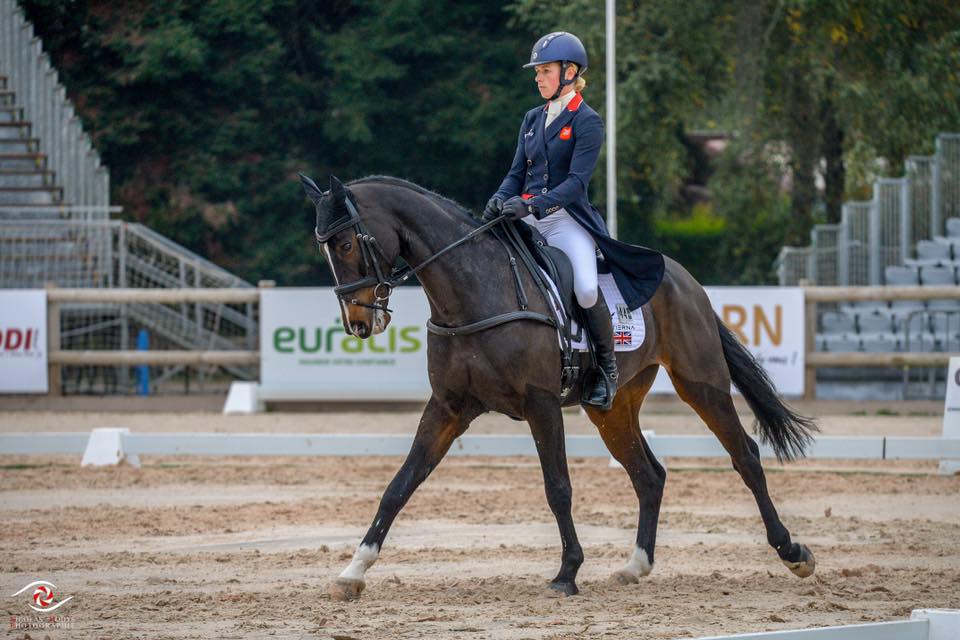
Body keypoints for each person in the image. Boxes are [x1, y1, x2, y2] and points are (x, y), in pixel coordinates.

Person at [483, 31, 619, 410]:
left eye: (545, 71)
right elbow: (515, 174)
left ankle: (605, 369)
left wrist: (533, 206)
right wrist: (498, 199)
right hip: (527, 216)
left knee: (587, 290)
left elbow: (576, 183)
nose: (538, 78)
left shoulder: (587, 121)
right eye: (537, 71)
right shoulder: (532, 118)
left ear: (569, 72)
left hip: (566, 220)